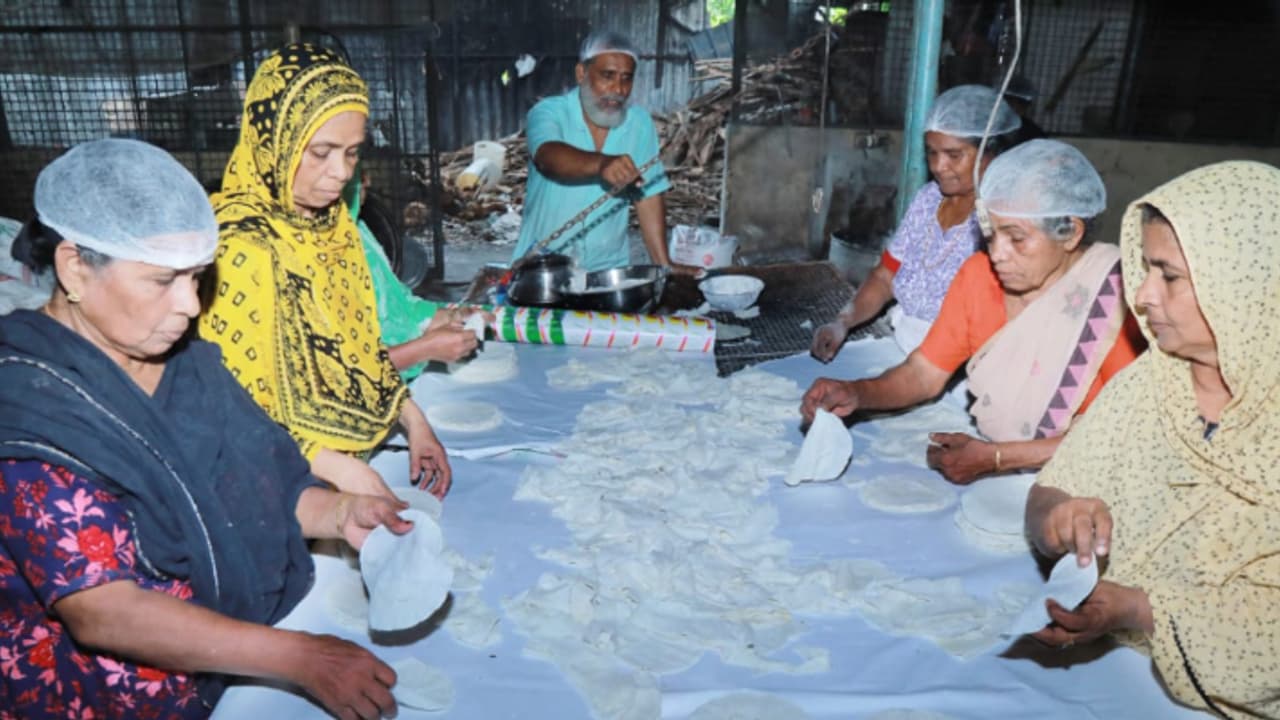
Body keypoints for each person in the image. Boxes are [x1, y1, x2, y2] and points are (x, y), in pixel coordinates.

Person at [0, 138, 409, 718]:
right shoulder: (28, 410)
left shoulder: (189, 368)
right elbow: (104, 611)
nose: (191, 305)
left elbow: (266, 487)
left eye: (197, 277)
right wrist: (303, 659)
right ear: (75, 269)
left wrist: (340, 514)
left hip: (224, 667)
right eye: (163, 281)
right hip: (101, 698)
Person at [1024, 161, 1280, 717]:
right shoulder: (1150, 383)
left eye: (1168, 276)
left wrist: (1142, 611)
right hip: (1114, 674)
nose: (1141, 295)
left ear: (1244, 285)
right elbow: (1050, 490)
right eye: (1145, 269)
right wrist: (1055, 519)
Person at [802, 140, 1145, 485]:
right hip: (995, 465)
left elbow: (1125, 432)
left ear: (1070, 232)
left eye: (1017, 238)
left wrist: (998, 458)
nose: (998, 254)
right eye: (991, 236)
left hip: (1085, 482)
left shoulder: (1113, 297)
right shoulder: (979, 277)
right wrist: (858, 393)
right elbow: (923, 373)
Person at [200, 44, 450, 501]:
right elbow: (235, 408)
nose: (340, 173)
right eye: (320, 152)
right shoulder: (239, 247)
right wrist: (338, 470)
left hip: (344, 465)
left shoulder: (332, 225)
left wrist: (415, 422)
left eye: (353, 153)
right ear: (274, 142)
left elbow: (359, 350)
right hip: (273, 486)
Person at [811, 85, 1022, 362]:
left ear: (990, 152)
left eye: (953, 155)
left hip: (959, 367)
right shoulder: (928, 199)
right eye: (932, 153)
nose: (938, 166)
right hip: (901, 346)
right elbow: (885, 276)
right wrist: (843, 322)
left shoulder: (1006, 217)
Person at [510, 30, 694, 274]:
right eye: (608, 76)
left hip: (608, 272)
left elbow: (648, 194)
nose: (618, 89)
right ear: (581, 73)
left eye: (626, 78)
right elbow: (548, 157)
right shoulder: (548, 113)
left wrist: (664, 263)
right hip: (541, 269)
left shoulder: (638, 124)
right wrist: (601, 165)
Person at [343, 170, 486, 382]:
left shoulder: (358, 232)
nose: (368, 179)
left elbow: (397, 305)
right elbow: (342, 365)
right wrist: (424, 349)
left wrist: (450, 316)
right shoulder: (317, 254)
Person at [998, 74, 1047, 146]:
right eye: (1009, 100)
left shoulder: (1034, 133)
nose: (1015, 107)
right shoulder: (990, 128)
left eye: (1021, 103)